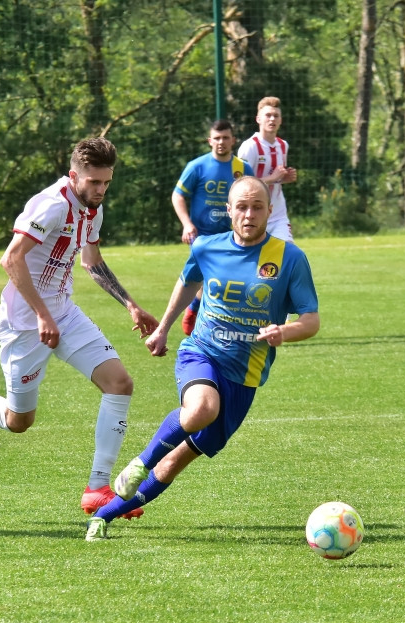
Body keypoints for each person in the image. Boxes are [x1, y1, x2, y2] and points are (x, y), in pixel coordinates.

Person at [85, 175, 320, 541]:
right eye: (241, 206)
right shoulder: (208, 247)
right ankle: (138, 464)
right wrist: (163, 328)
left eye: (257, 207)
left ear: (270, 211)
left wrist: (284, 331)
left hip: (244, 377)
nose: (249, 214)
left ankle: (103, 516)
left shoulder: (289, 258)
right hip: (202, 353)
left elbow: (311, 320)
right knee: (201, 409)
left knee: (177, 460)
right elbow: (188, 282)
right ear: (228, 211)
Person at [0, 137, 159, 519]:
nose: (101, 190)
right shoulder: (52, 205)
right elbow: (11, 259)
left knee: (120, 383)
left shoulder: (93, 210)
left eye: (107, 182)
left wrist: (130, 305)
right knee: (18, 421)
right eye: (94, 183)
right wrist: (42, 315)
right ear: (75, 176)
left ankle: (97, 488)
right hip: (24, 323)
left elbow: (91, 261)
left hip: (65, 314)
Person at [172, 119, 253, 335]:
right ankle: (195, 310)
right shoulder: (197, 166)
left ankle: (202, 312)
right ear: (210, 141)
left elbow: (252, 198)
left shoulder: (242, 168)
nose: (221, 142)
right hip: (202, 236)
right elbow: (178, 195)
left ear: (233, 140)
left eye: (226, 138)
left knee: (226, 280)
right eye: (217, 138)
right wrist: (186, 224)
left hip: (232, 236)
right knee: (205, 278)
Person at [237, 96, 297, 243]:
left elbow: (276, 180)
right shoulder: (249, 146)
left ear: (281, 120)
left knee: (286, 251)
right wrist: (273, 178)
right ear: (258, 119)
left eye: (276, 116)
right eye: (268, 115)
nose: (272, 119)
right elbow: (240, 184)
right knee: (252, 259)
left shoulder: (283, 145)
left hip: (277, 214)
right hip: (253, 214)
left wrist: (284, 179)